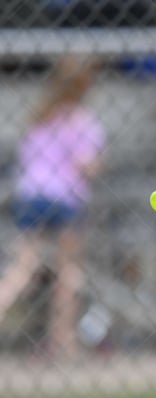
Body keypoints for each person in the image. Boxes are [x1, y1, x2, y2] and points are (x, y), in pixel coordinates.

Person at [0, 56, 105, 357]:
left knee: (23, 268)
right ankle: (62, 340)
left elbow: (26, 160)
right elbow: (87, 166)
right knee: (67, 270)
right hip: (65, 199)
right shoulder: (82, 120)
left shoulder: (40, 118)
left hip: (30, 195)